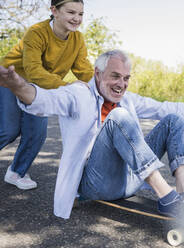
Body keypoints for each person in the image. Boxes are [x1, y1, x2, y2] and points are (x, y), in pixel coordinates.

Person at [0, 50, 184, 219]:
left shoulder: (128, 99)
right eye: (115, 76)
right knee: (118, 118)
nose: (121, 84)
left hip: (129, 179)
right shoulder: (78, 94)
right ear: (97, 74)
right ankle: (168, 199)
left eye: (126, 78)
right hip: (96, 184)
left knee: (172, 119)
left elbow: (169, 107)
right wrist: (16, 85)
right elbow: (43, 100)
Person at [0, 0, 93, 190]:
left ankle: (16, 172)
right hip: (11, 79)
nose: (76, 18)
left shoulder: (77, 39)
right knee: (9, 130)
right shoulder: (36, 32)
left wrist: (103, 88)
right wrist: (67, 86)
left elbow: (84, 70)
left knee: (36, 133)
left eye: (80, 14)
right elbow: (33, 70)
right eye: (71, 12)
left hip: (40, 87)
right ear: (54, 11)